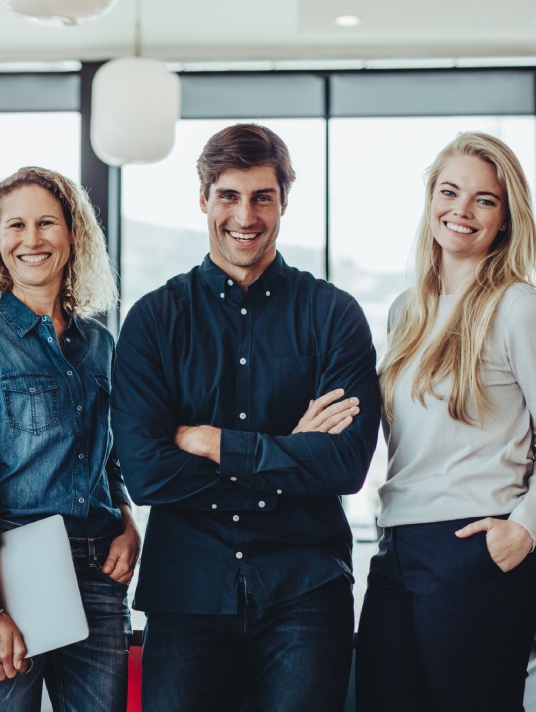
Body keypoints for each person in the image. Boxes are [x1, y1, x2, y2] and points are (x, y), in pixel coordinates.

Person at [111, 123, 380, 712]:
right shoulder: (153, 320)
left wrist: (210, 441)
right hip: (188, 593)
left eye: (263, 196)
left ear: (285, 200)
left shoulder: (333, 315)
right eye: (229, 195)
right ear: (203, 198)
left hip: (305, 588)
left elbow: (345, 464)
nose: (246, 215)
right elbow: (147, 473)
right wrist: (286, 451)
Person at [355, 131, 536, 712]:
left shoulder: (520, 309)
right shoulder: (406, 311)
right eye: (450, 192)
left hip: (476, 545)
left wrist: (523, 529)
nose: (461, 210)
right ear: (431, 198)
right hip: (398, 545)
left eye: (484, 199)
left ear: (505, 219)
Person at [0, 166, 140, 712]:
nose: (32, 239)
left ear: (72, 235)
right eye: (16, 226)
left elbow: (110, 458)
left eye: (47, 223)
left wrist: (127, 521)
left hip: (98, 573)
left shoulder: (100, 342)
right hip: (9, 569)